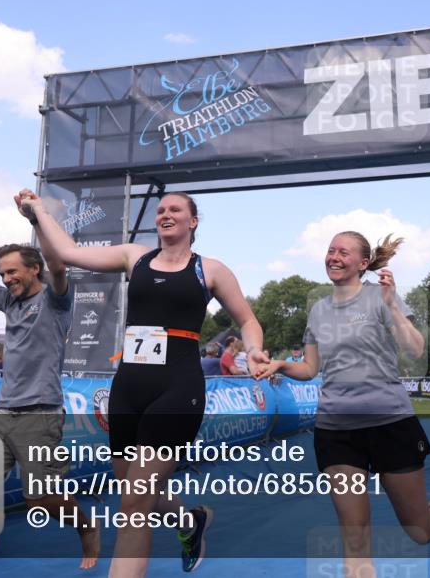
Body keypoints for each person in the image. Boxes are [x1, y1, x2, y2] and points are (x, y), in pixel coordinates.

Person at [15, 188, 268, 577]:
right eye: (161, 209)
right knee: (134, 492)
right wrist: (36, 213)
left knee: (133, 503)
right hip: (129, 388)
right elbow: (66, 252)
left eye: (175, 209)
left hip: (177, 389)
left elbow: (248, 321)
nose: (165, 214)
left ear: (192, 222)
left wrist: (253, 350)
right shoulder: (135, 256)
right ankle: (188, 521)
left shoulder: (211, 270)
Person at [257, 232, 430, 577]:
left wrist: (391, 306)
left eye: (343, 252)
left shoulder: (381, 297)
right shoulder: (318, 310)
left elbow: (415, 348)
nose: (334, 256)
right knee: (354, 533)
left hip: (390, 423)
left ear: (362, 263)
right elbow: (311, 368)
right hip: (336, 431)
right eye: (330, 250)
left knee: (417, 530)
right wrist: (282, 365)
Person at [0, 210, 99, 576]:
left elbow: (59, 264)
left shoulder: (56, 300)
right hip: (1, 414)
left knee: (40, 499)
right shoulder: (8, 302)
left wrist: (36, 218)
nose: (6, 279)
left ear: (35, 269)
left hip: (41, 413)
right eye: (3, 273)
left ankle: (86, 525)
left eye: (13, 271)